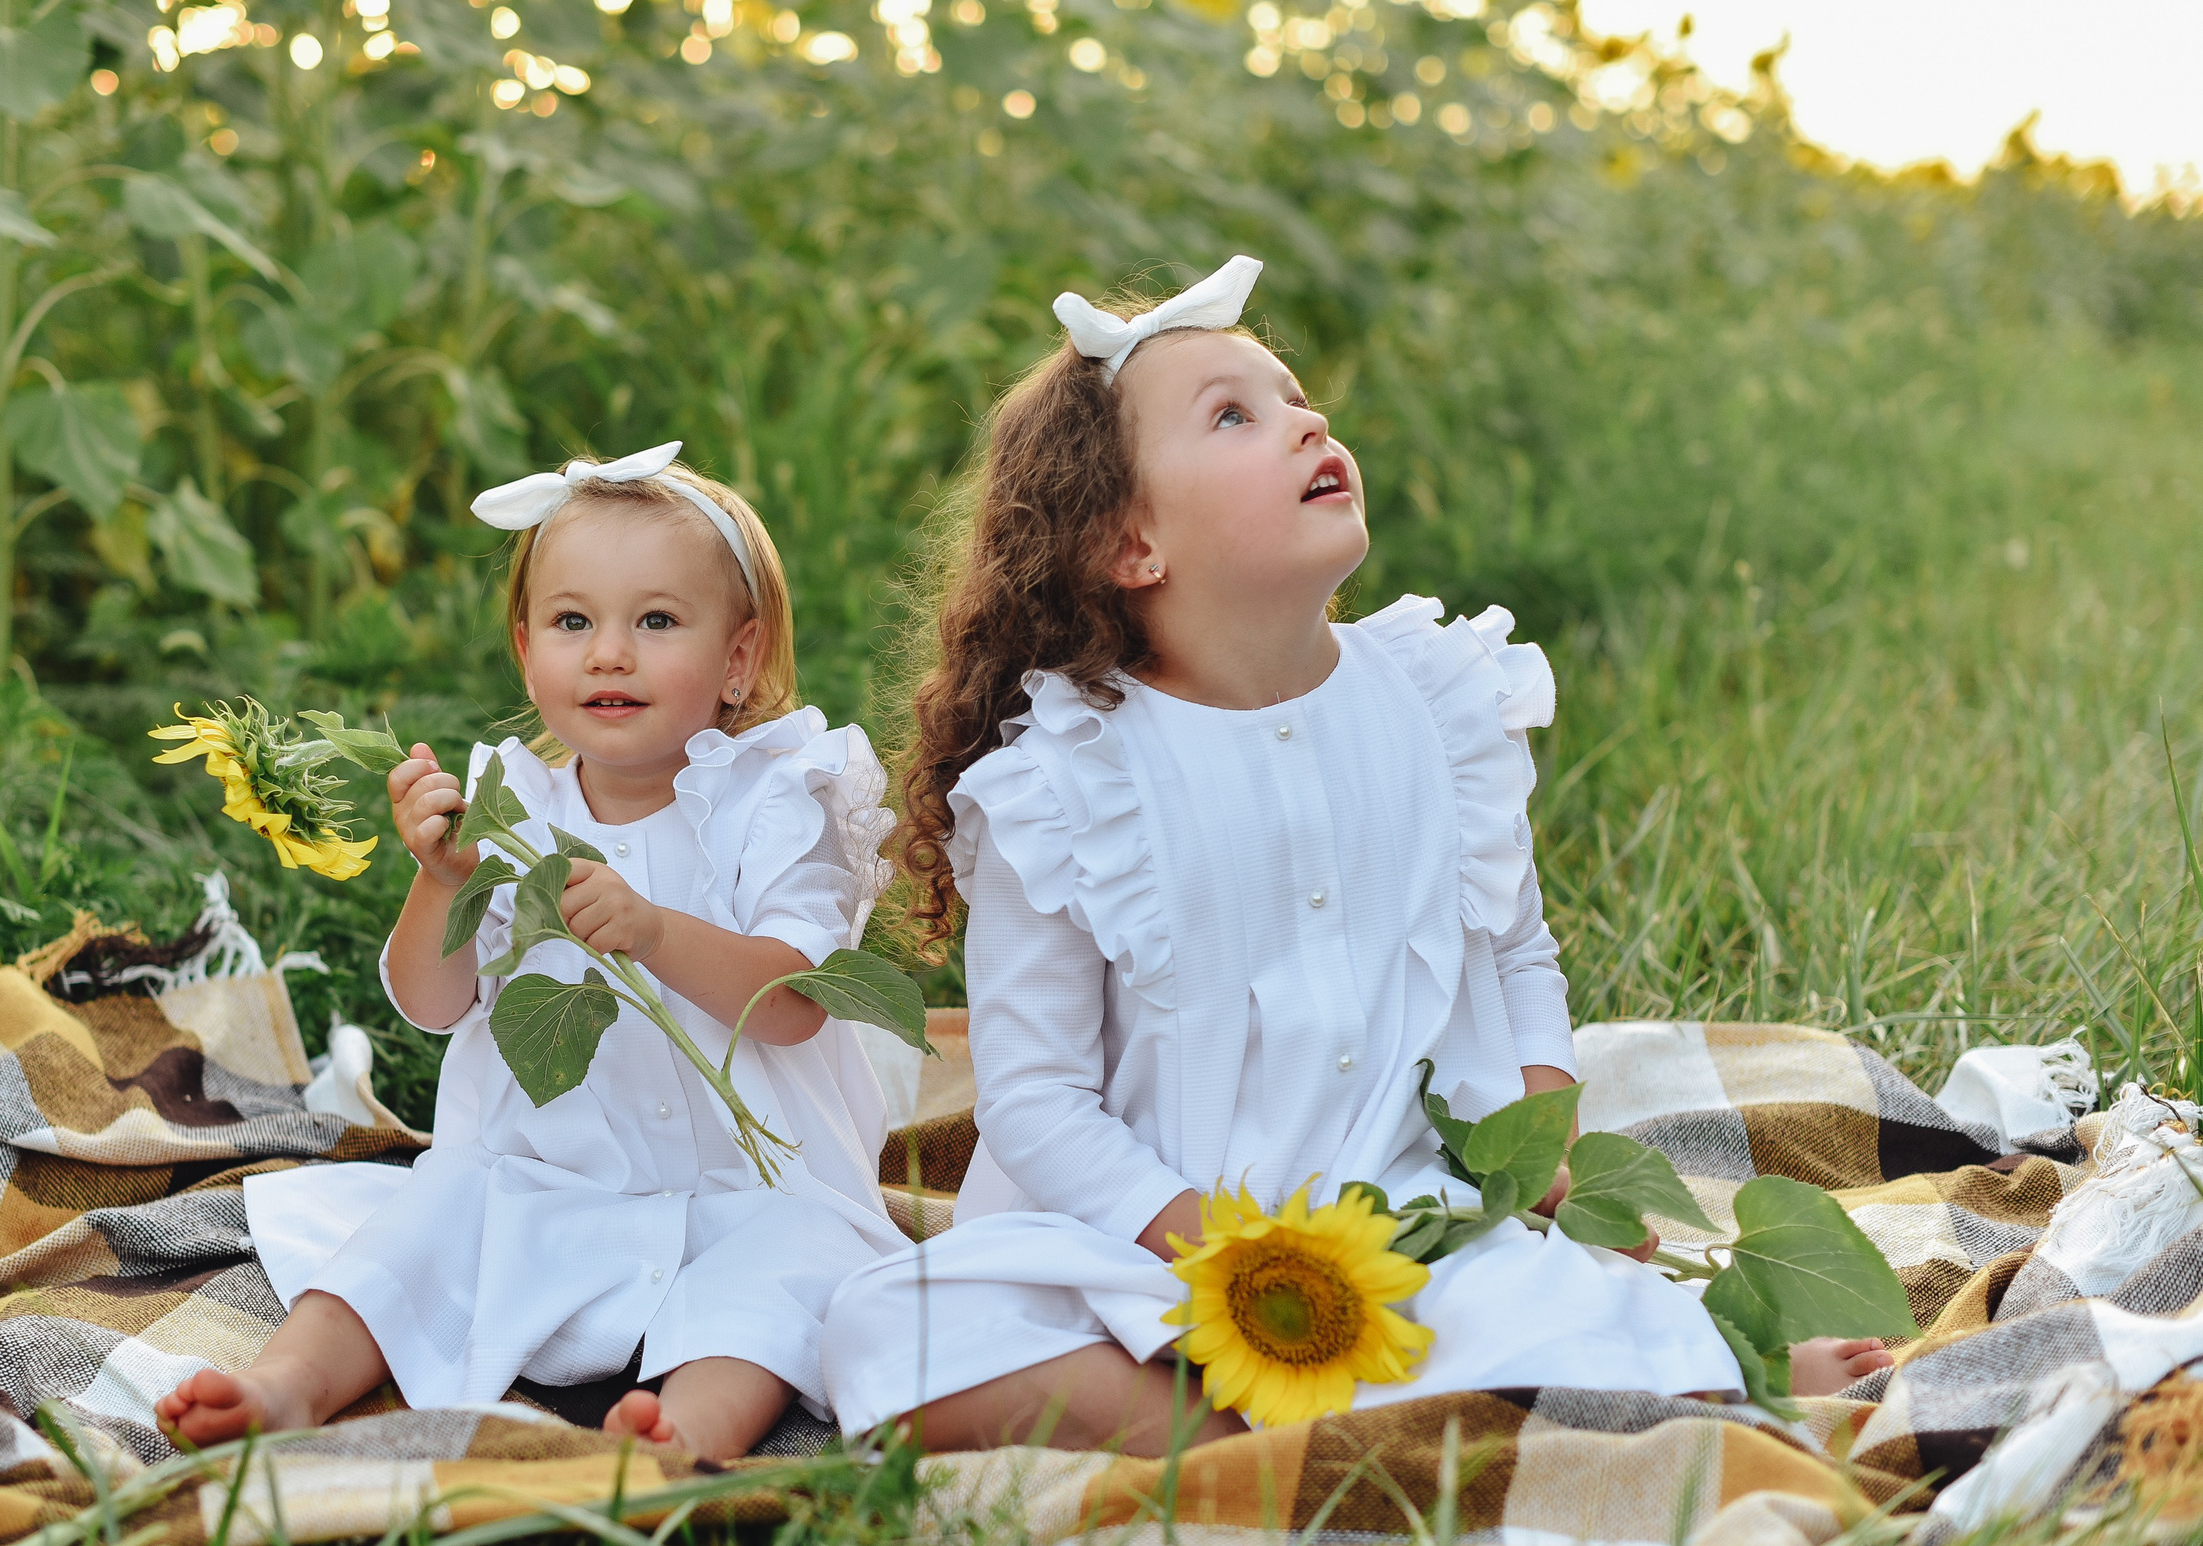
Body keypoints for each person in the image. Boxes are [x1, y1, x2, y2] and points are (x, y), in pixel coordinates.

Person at [821, 260, 1892, 1453]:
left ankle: (1667, 1366)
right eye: (1235, 415)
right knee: (889, 1332)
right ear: (1129, 542)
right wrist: (1216, 1251)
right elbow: (1038, 1097)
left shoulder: (1437, 702)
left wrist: (1545, 1142)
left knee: (1537, 1298)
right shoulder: (1068, 783)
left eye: (1292, 396)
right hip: (1143, 1244)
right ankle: (1254, 1422)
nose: (1306, 421)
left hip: (1402, 1225)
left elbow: (1513, 950)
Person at [158, 442, 908, 1460]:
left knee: (793, 1271)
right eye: (572, 622)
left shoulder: (782, 797)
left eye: (655, 621)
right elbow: (431, 1005)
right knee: (431, 1217)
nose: (609, 653)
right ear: (525, 649)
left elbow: (790, 1002)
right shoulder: (512, 810)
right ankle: (287, 1384)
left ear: (739, 658)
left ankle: (682, 1433)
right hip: (551, 1180)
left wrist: (654, 931)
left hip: (752, 1188)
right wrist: (445, 881)